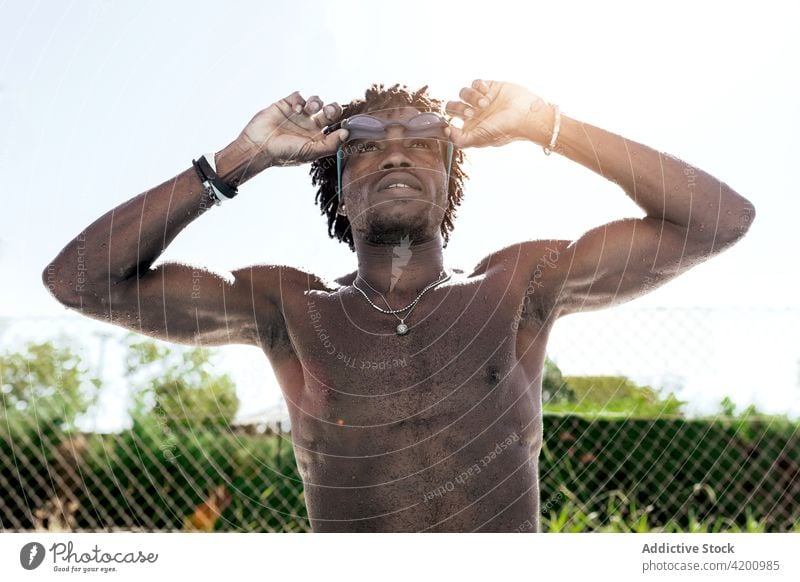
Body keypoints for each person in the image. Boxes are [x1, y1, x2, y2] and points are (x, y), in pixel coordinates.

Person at [43, 79, 756, 532]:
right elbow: (79, 281)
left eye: (421, 142)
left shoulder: (519, 288)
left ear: (450, 182)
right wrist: (242, 158)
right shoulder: (289, 307)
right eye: (364, 147)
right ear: (336, 186)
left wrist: (550, 127)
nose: (394, 153)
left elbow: (717, 220)